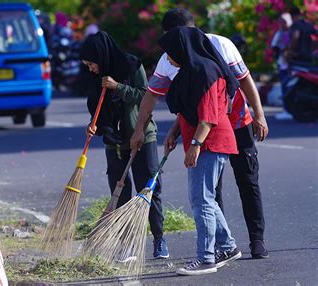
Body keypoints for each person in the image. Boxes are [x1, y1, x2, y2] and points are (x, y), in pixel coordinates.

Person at [131, 8, 269, 260]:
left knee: (245, 181)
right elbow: (154, 96)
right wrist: (147, 129)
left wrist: (259, 114)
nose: (169, 50)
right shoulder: (171, 60)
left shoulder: (218, 49)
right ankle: (223, 245)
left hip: (232, 124)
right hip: (204, 130)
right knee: (209, 191)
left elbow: (242, 82)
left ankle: (252, 240)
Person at [158, 26, 240, 276]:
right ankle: (227, 247)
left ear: (182, 49)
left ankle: (206, 258)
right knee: (206, 198)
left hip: (210, 141)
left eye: (170, 52)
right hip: (203, 140)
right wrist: (174, 131)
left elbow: (208, 118)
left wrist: (194, 145)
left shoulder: (205, 71)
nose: (168, 57)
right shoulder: (192, 71)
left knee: (200, 200)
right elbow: (189, 109)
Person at [80, 31, 169, 259]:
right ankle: (127, 244)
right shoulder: (94, 78)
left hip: (140, 136)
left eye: (91, 64)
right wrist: (94, 126)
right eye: (86, 65)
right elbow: (98, 109)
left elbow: (144, 96)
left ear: (101, 56)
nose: (90, 69)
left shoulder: (132, 65)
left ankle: (159, 240)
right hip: (115, 142)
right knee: (119, 193)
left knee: (147, 188)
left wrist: (118, 86)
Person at [271, 13, 292, 98]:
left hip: (294, 64)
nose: (282, 24)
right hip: (283, 63)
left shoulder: (293, 32)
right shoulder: (280, 33)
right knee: (284, 84)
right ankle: (286, 108)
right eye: (281, 22)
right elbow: (274, 46)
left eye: (284, 22)